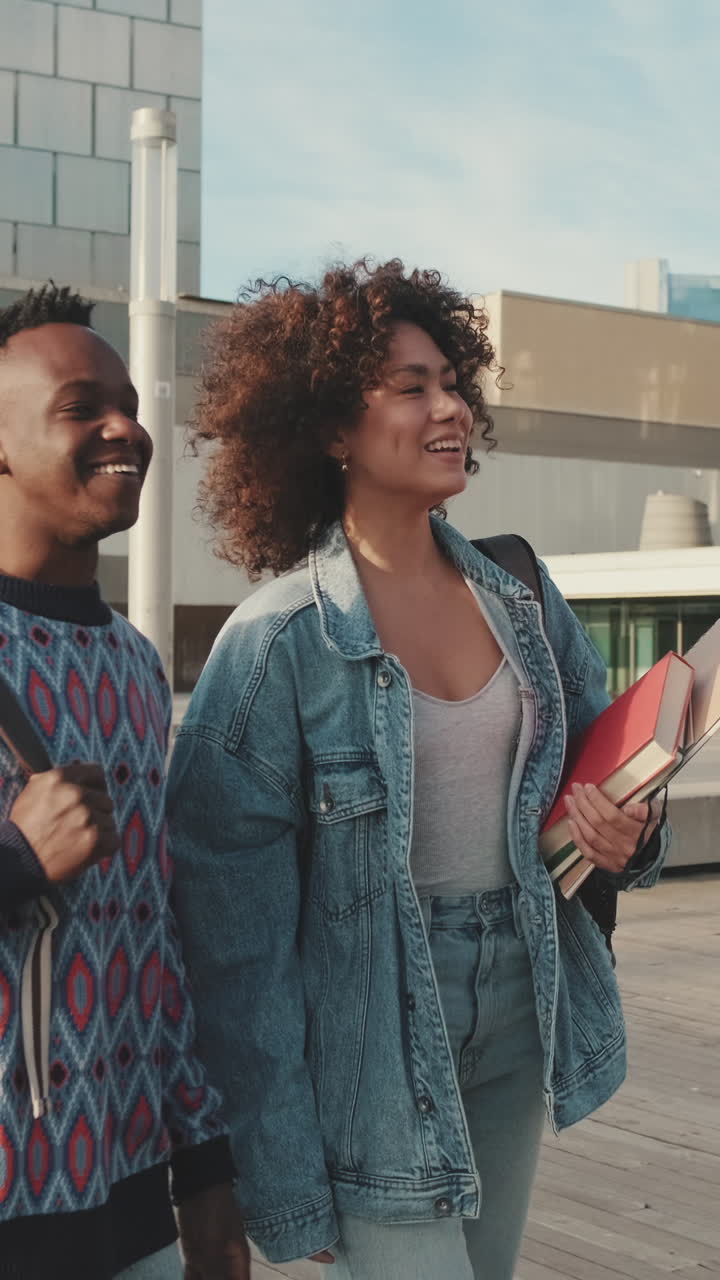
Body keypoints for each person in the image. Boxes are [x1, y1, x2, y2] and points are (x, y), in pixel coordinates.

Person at [167, 259, 669, 1280]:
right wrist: (280, 1169)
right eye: (410, 386)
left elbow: (607, 773)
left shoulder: (521, 598)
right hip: (373, 1036)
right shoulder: (274, 649)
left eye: (451, 381)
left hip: (524, 999)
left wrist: (628, 832)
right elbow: (236, 953)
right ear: (330, 430)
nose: (449, 408)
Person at [0, 285, 250, 1280]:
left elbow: (158, 942)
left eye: (131, 401)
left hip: (131, 1196)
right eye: (81, 405)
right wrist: (17, 860)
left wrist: (207, 1184)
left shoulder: (138, 664)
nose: (128, 428)